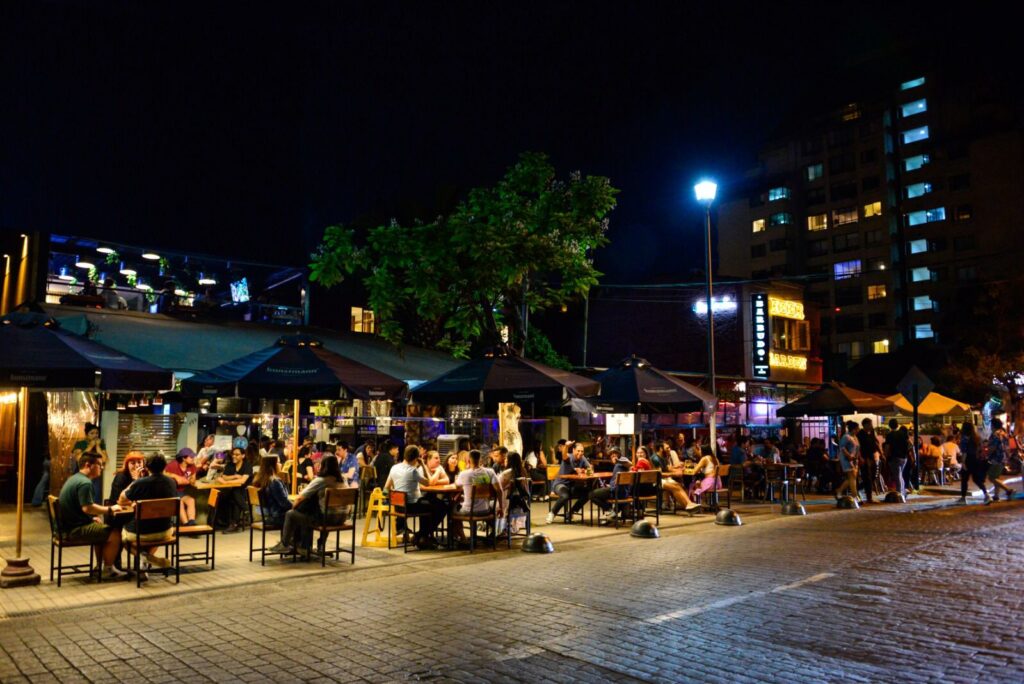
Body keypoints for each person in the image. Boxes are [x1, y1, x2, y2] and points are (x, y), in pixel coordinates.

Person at [57, 452, 125, 578]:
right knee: (115, 533)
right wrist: (110, 509)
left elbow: (79, 507)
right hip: (73, 530)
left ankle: (100, 566)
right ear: (88, 465)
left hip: (65, 527)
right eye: (99, 464)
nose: (102, 468)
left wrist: (91, 518)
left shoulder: (74, 478)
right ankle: (108, 569)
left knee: (100, 529)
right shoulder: (85, 483)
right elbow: (88, 508)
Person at [269, 455, 350, 558]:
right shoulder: (343, 479)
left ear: (323, 466)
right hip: (342, 517)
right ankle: (316, 545)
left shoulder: (321, 480)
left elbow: (300, 498)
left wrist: (293, 508)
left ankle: (285, 544)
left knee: (291, 514)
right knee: (319, 511)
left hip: (326, 519)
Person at [118, 453, 177, 579]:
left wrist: (135, 481)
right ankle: (143, 565)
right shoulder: (171, 482)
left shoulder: (141, 483)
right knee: (154, 537)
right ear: (164, 466)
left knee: (123, 538)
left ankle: (143, 556)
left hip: (140, 533)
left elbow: (121, 500)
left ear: (147, 466)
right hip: (165, 531)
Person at [388, 446, 446, 549]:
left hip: (398, 506)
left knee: (430, 503)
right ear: (416, 458)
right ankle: (420, 536)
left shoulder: (394, 468)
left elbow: (386, 487)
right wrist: (423, 464)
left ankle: (423, 537)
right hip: (411, 506)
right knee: (442, 506)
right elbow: (428, 482)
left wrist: (390, 497)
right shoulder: (413, 471)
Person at [454, 449, 500, 537]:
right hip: (485, 510)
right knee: (490, 506)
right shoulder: (490, 472)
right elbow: (499, 490)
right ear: (480, 460)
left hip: (469, 511)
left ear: (468, 460)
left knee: (451, 510)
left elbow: (457, 486)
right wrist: (501, 506)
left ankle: (462, 538)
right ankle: (490, 534)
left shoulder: (464, 474)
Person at [545, 442, 591, 524]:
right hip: (560, 484)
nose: (580, 453)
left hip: (572, 486)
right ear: (573, 450)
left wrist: (583, 470)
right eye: (578, 451)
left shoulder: (582, 458)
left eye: (582, 451)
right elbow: (564, 455)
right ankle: (552, 513)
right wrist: (566, 446)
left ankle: (571, 512)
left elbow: (590, 468)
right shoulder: (569, 457)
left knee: (588, 494)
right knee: (565, 496)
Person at [588, 448, 633, 523]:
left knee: (591, 495)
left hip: (616, 492)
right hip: (621, 491)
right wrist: (610, 485)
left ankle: (609, 510)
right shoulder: (617, 465)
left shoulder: (622, 460)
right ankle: (611, 512)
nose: (613, 455)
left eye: (615, 453)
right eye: (611, 454)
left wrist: (618, 460)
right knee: (601, 492)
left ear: (619, 454)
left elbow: (630, 464)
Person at [218, 446, 255, 532]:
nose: (234, 456)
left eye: (237, 455)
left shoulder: (247, 466)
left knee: (235, 493)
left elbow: (242, 481)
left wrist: (226, 482)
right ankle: (245, 510)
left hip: (245, 492)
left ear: (243, 456)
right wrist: (235, 476)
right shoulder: (230, 465)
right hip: (233, 491)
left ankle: (233, 524)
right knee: (232, 494)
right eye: (233, 454)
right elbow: (224, 477)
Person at [252, 455, 292, 526]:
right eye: (278, 462)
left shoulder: (261, 479)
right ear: (272, 466)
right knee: (300, 516)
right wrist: (297, 506)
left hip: (266, 514)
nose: (280, 464)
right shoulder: (274, 482)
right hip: (277, 516)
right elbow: (284, 503)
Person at [165, 448, 198, 526]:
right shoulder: (173, 465)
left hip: (180, 492)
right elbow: (163, 473)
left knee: (191, 500)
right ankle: (186, 524)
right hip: (171, 492)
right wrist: (176, 476)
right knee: (179, 502)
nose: (193, 458)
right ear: (183, 458)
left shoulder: (192, 466)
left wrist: (191, 480)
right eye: (191, 457)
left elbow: (193, 479)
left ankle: (191, 523)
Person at [959, 421, 988, 505]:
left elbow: (964, 452)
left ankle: (963, 498)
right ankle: (986, 494)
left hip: (968, 460)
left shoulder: (964, 439)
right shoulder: (977, 438)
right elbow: (980, 449)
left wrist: (963, 462)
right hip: (976, 459)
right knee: (976, 479)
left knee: (964, 479)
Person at [985, 418, 1015, 502]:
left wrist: (987, 453)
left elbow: (993, 447)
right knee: (996, 477)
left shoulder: (995, 434)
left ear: (993, 425)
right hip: (1004, 458)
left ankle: (1008, 490)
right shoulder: (1004, 433)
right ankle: (996, 495)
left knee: (991, 477)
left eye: (991, 425)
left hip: (996, 458)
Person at [884, 419, 912, 496]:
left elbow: (887, 447)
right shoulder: (903, 433)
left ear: (889, 425)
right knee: (900, 474)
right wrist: (906, 450)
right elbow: (911, 444)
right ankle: (902, 491)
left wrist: (885, 456)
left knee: (897, 476)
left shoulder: (889, 435)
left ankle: (899, 493)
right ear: (897, 425)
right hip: (904, 457)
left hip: (894, 457)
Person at [836, 421, 861, 501]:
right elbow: (842, 448)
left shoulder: (855, 437)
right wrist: (849, 456)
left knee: (852, 478)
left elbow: (857, 448)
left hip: (854, 459)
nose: (858, 430)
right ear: (853, 429)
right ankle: (855, 496)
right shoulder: (846, 437)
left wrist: (857, 457)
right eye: (857, 428)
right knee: (852, 477)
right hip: (846, 459)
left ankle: (839, 491)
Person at [858, 418, 881, 503]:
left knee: (874, 475)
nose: (871, 426)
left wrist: (880, 452)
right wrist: (860, 457)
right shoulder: (860, 434)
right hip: (865, 457)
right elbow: (858, 447)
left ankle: (858, 488)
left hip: (872, 456)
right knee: (867, 476)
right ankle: (869, 497)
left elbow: (875, 443)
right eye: (870, 424)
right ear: (865, 425)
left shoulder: (871, 433)